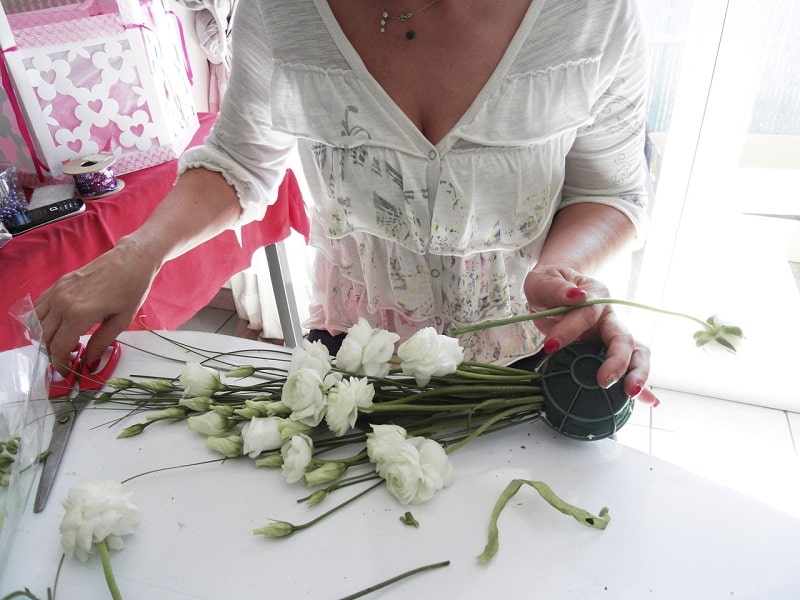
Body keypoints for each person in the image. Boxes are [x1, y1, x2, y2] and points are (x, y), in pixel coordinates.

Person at [34, 0, 659, 406]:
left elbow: (609, 190)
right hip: (356, 350)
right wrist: (138, 254)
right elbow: (241, 160)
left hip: (528, 349)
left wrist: (560, 272)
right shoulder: (282, 11)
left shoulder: (592, 14)